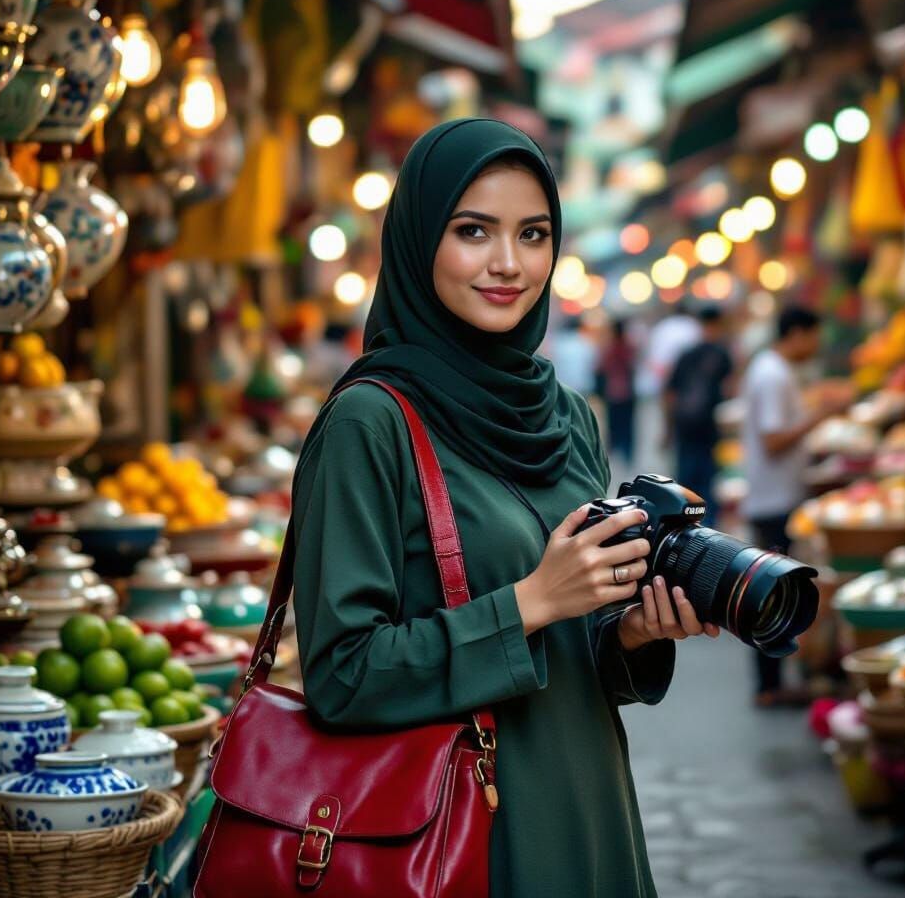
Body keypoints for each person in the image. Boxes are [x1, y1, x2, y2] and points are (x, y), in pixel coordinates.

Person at [291, 119, 720, 898]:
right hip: (463, 831)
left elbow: (582, 655)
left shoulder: (567, 414)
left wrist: (632, 629)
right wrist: (530, 601)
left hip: (590, 801)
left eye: (533, 234)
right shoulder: (372, 422)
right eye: (472, 231)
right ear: (420, 241)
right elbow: (341, 676)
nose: (507, 264)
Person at [741, 304, 850, 707]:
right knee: (772, 594)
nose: (818, 344)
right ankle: (769, 685)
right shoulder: (772, 374)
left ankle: (773, 681)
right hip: (773, 500)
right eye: (815, 335)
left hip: (776, 495)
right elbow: (774, 440)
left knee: (775, 591)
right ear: (798, 334)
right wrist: (821, 414)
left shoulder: (772, 369)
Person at [664, 305, 733, 525]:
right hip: (710, 428)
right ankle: (707, 528)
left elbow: (670, 393)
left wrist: (668, 428)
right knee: (709, 481)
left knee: (686, 480)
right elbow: (730, 389)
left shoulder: (687, 354)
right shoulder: (722, 355)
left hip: (685, 426)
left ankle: (685, 524)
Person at [595, 318, 637, 464]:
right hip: (628, 392)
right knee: (628, 425)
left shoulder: (609, 348)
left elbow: (600, 368)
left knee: (613, 425)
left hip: (612, 392)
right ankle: (627, 454)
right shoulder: (629, 347)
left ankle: (613, 453)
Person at [548, 313, 598, 398]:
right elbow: (594, 364)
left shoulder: (558, 342)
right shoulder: (586, 342)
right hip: (583, 384)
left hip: (562, 384)